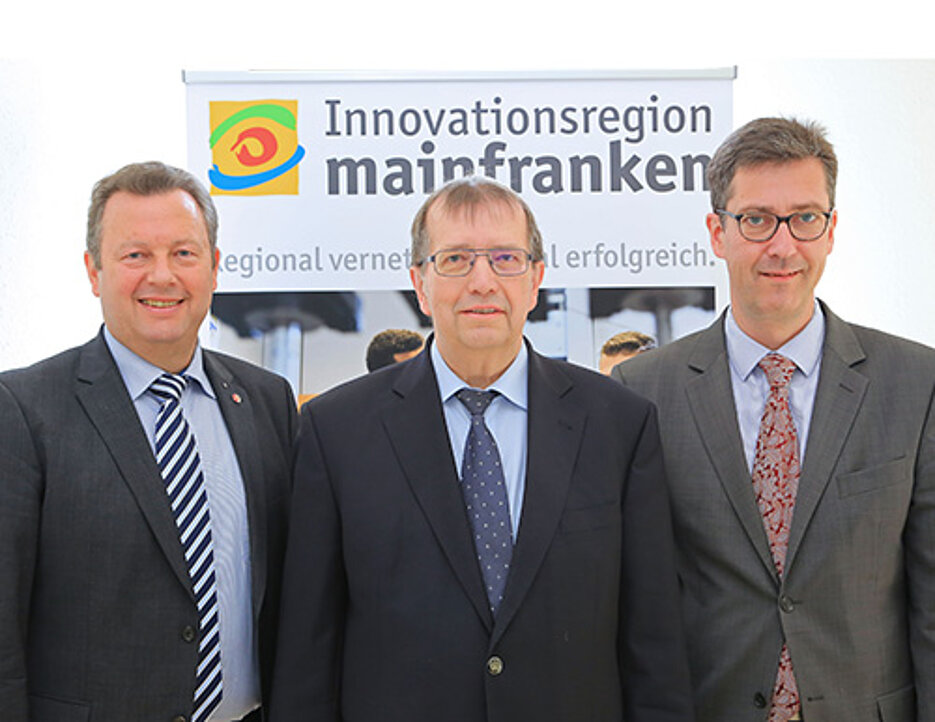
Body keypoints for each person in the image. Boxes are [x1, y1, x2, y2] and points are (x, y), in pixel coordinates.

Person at [270, 177, 693, 722]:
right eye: (455, 260)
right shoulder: (336, 431)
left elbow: (654, 641)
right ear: (420, 283)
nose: (482, 281)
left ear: (536, 280)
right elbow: (307, 652)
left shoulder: (619, 424)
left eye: (505, 259)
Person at [613, 117, 935, 721]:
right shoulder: (644, 391)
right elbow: (632, 605)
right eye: (757, 220)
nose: (783, 246)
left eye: (805, 218)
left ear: (831, 230)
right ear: (718, 232)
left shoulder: (916, 383)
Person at [0, 161, 297, 722]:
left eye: (184, 253)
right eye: (135, 255)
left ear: (214, 267)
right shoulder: (22, 408)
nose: (162, 276)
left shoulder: (268, 401)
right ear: (94, 271)